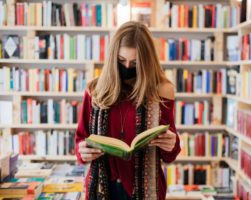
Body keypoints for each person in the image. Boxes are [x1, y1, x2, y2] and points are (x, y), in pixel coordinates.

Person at [75, 21, 181, 200]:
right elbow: (80, 140)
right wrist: (82, 151)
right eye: (121, 61)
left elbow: (169, 154)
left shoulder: (162, 90)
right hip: (102, 189)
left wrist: (172, 144)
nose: (127, 67)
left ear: (146, 62)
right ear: (112, 58)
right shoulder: (95, 90)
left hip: (146, 192)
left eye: (135, 63)